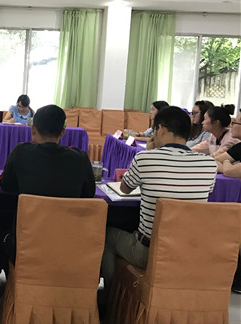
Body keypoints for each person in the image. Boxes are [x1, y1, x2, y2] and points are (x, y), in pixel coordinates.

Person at [101, 106, 217, 296]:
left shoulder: (146, 158)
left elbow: (124, 188)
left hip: (149, 252)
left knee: (106, 235)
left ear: (161, 129)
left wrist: (148, 152)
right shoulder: (209, 164)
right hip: (189, 251)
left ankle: (111, 298)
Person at [0, 104, 95, 263]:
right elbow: (89, 194)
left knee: (0, 230)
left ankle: (14, 277)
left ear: (33, 129)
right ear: (63, 132)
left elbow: (6, 185)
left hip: (27, 244)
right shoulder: (81, 158)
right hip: (68, 246)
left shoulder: (21, 152)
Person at [212, 109, 241, 294]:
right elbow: (213, 161)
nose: (232, 126)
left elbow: (230, 171)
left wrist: (227, 165)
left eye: (236, 123)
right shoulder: (239, 147)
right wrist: (227, 164)